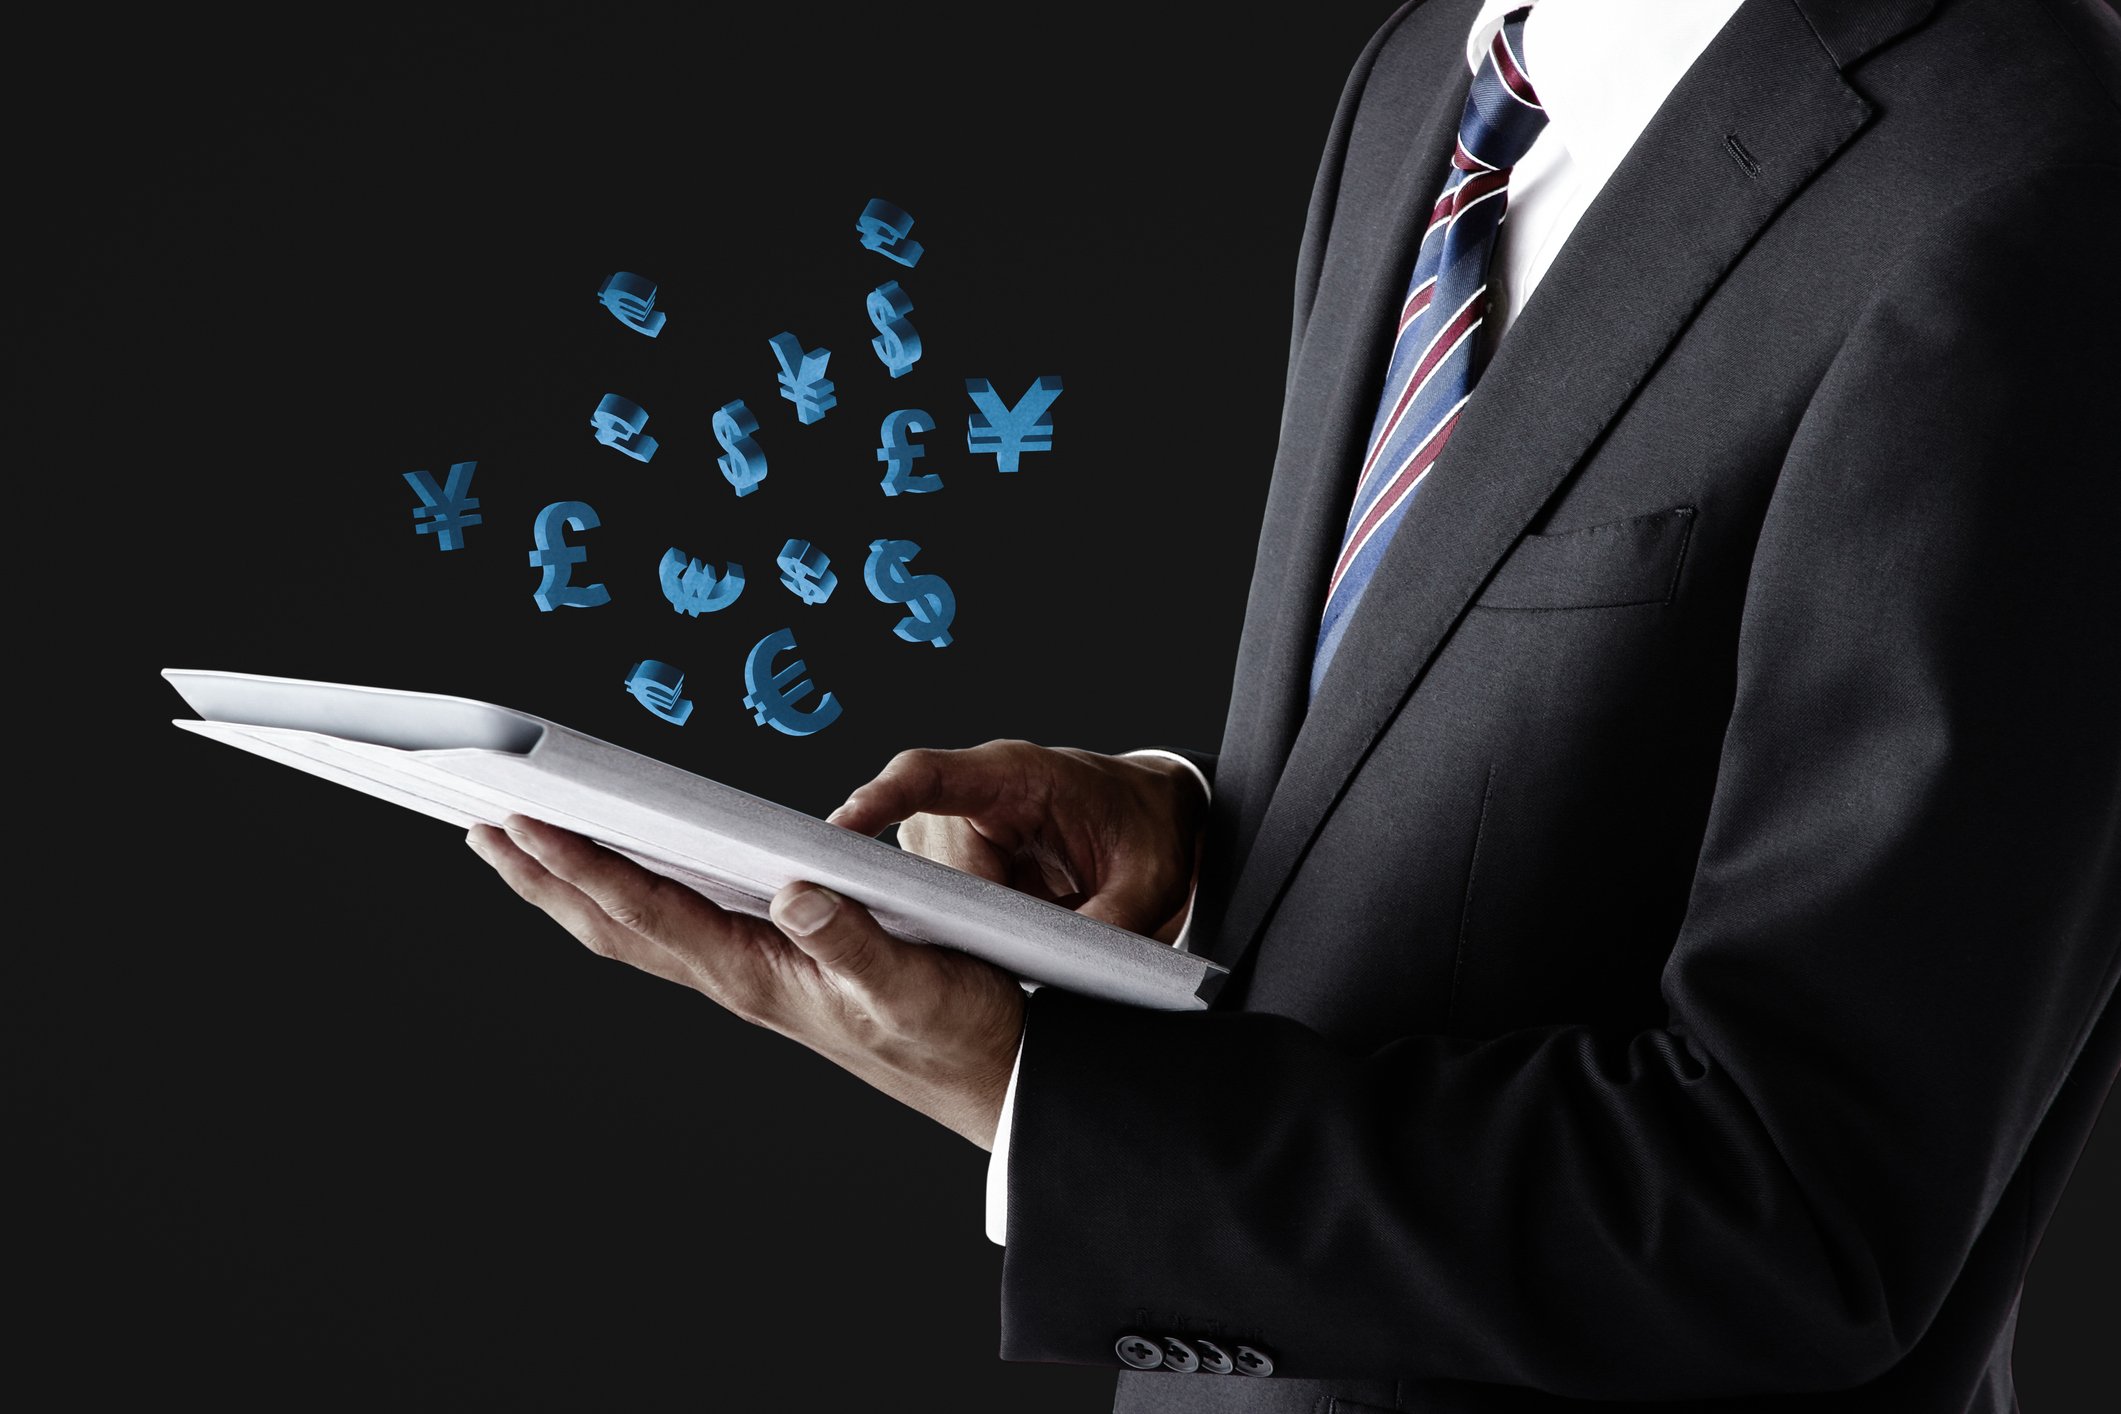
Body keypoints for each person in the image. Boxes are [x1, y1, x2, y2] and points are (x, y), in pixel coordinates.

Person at [464, 0, 2121, 1408]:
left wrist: (1034, 1093)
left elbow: (1799, 1209)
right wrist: (1204, 836)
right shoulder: (1433, 75)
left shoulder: (2028, 169)